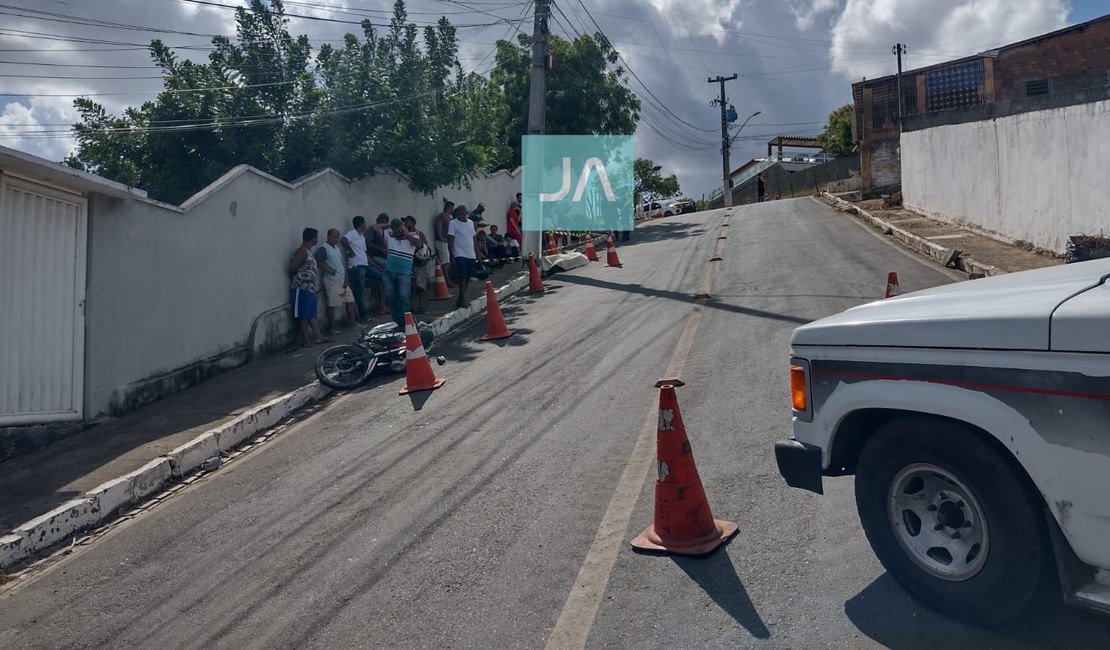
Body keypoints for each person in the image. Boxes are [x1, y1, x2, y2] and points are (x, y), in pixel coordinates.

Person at [288, 228, 329, 347]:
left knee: (312, 314)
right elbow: (292, 268)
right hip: (301, 288)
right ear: (312, 238)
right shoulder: (302, 251)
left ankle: (318, 336)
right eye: (316, 237)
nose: (317, 239)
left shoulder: (309, 252)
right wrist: (300, 279)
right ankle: (305, 340)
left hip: (310, 288)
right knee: (303, 314)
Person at [314, 228, 358, 334]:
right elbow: (317, 260)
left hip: (342, 280)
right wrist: (328, 269)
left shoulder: (337, 249)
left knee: (350, 301)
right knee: (332, 305)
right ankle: (332, 327)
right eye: (334, 236)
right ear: (328, 236)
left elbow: (343, 264)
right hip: (331, 280)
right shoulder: (324, 248)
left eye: (337, 237)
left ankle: (352, 323)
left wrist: (346, 278)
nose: (336, 239)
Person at [383, 217, 423, 329]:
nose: (396, 232)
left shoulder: (412, 236)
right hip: (389, 272)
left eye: (398, 229)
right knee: (391, 298)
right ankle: (399, 322)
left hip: (404, 273)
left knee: (404, 297)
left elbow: (418, 244)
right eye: (394, 229)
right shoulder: (389, 235)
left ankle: (407, 322)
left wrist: (406, 233)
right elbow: (377, 227)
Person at [447, 204, 478, 309]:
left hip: (471, 254)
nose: (461, 216)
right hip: (459, 253)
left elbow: (474, 239)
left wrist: (478, 254)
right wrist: (452, 256)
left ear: (467, 214)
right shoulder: (453, 223)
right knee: (463, 276)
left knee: (468, 276)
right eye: (459, 214)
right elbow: (450, 241)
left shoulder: (471, 223)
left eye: (463, 214)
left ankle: (461, 297)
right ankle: (464, 298)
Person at [341, 216, 371, 322]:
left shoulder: (361, 237)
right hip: (356, 266)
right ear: (360, 224)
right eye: (364, 223)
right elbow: (343, 240)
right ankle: (363, 316)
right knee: (358, 293)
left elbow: (365, 252)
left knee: (380, 277)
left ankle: (361, 284)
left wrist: (374, 264)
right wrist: (351, 251)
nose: (365, 225)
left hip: (365, 265)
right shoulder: (352, 233)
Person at [402, 215, 431, 314]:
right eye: (405, 222)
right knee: (410, 286)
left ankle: (421, 306)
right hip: (408, 261)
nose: (405, 224)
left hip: (418, 262)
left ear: (413, 222)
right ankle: (412, 306)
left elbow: (425, 247)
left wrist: (425, 259)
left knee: (420, 286)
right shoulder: (403, 234)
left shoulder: (419, 233)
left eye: (407, 222)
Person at [366, 213, 390, 315]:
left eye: (385, 221)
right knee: (382, 284)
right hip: (376, 258)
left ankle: (383, 306)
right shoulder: (372, 230)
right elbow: (367, 243)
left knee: (383, 284)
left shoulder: (386, 231)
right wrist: (380, 249)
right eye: (382, 221)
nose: (383, 223)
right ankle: (382, 306)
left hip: (384, 258)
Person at [434, 199, 456, 286]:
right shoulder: (442, 216)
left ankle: (449, 279)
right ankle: (447, 280)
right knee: (445, 262)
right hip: (441, 242)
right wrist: (441, 237)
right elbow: (439, 226)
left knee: (447, 260)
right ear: (450, 208)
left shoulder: (449, 218)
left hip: (447, 241)